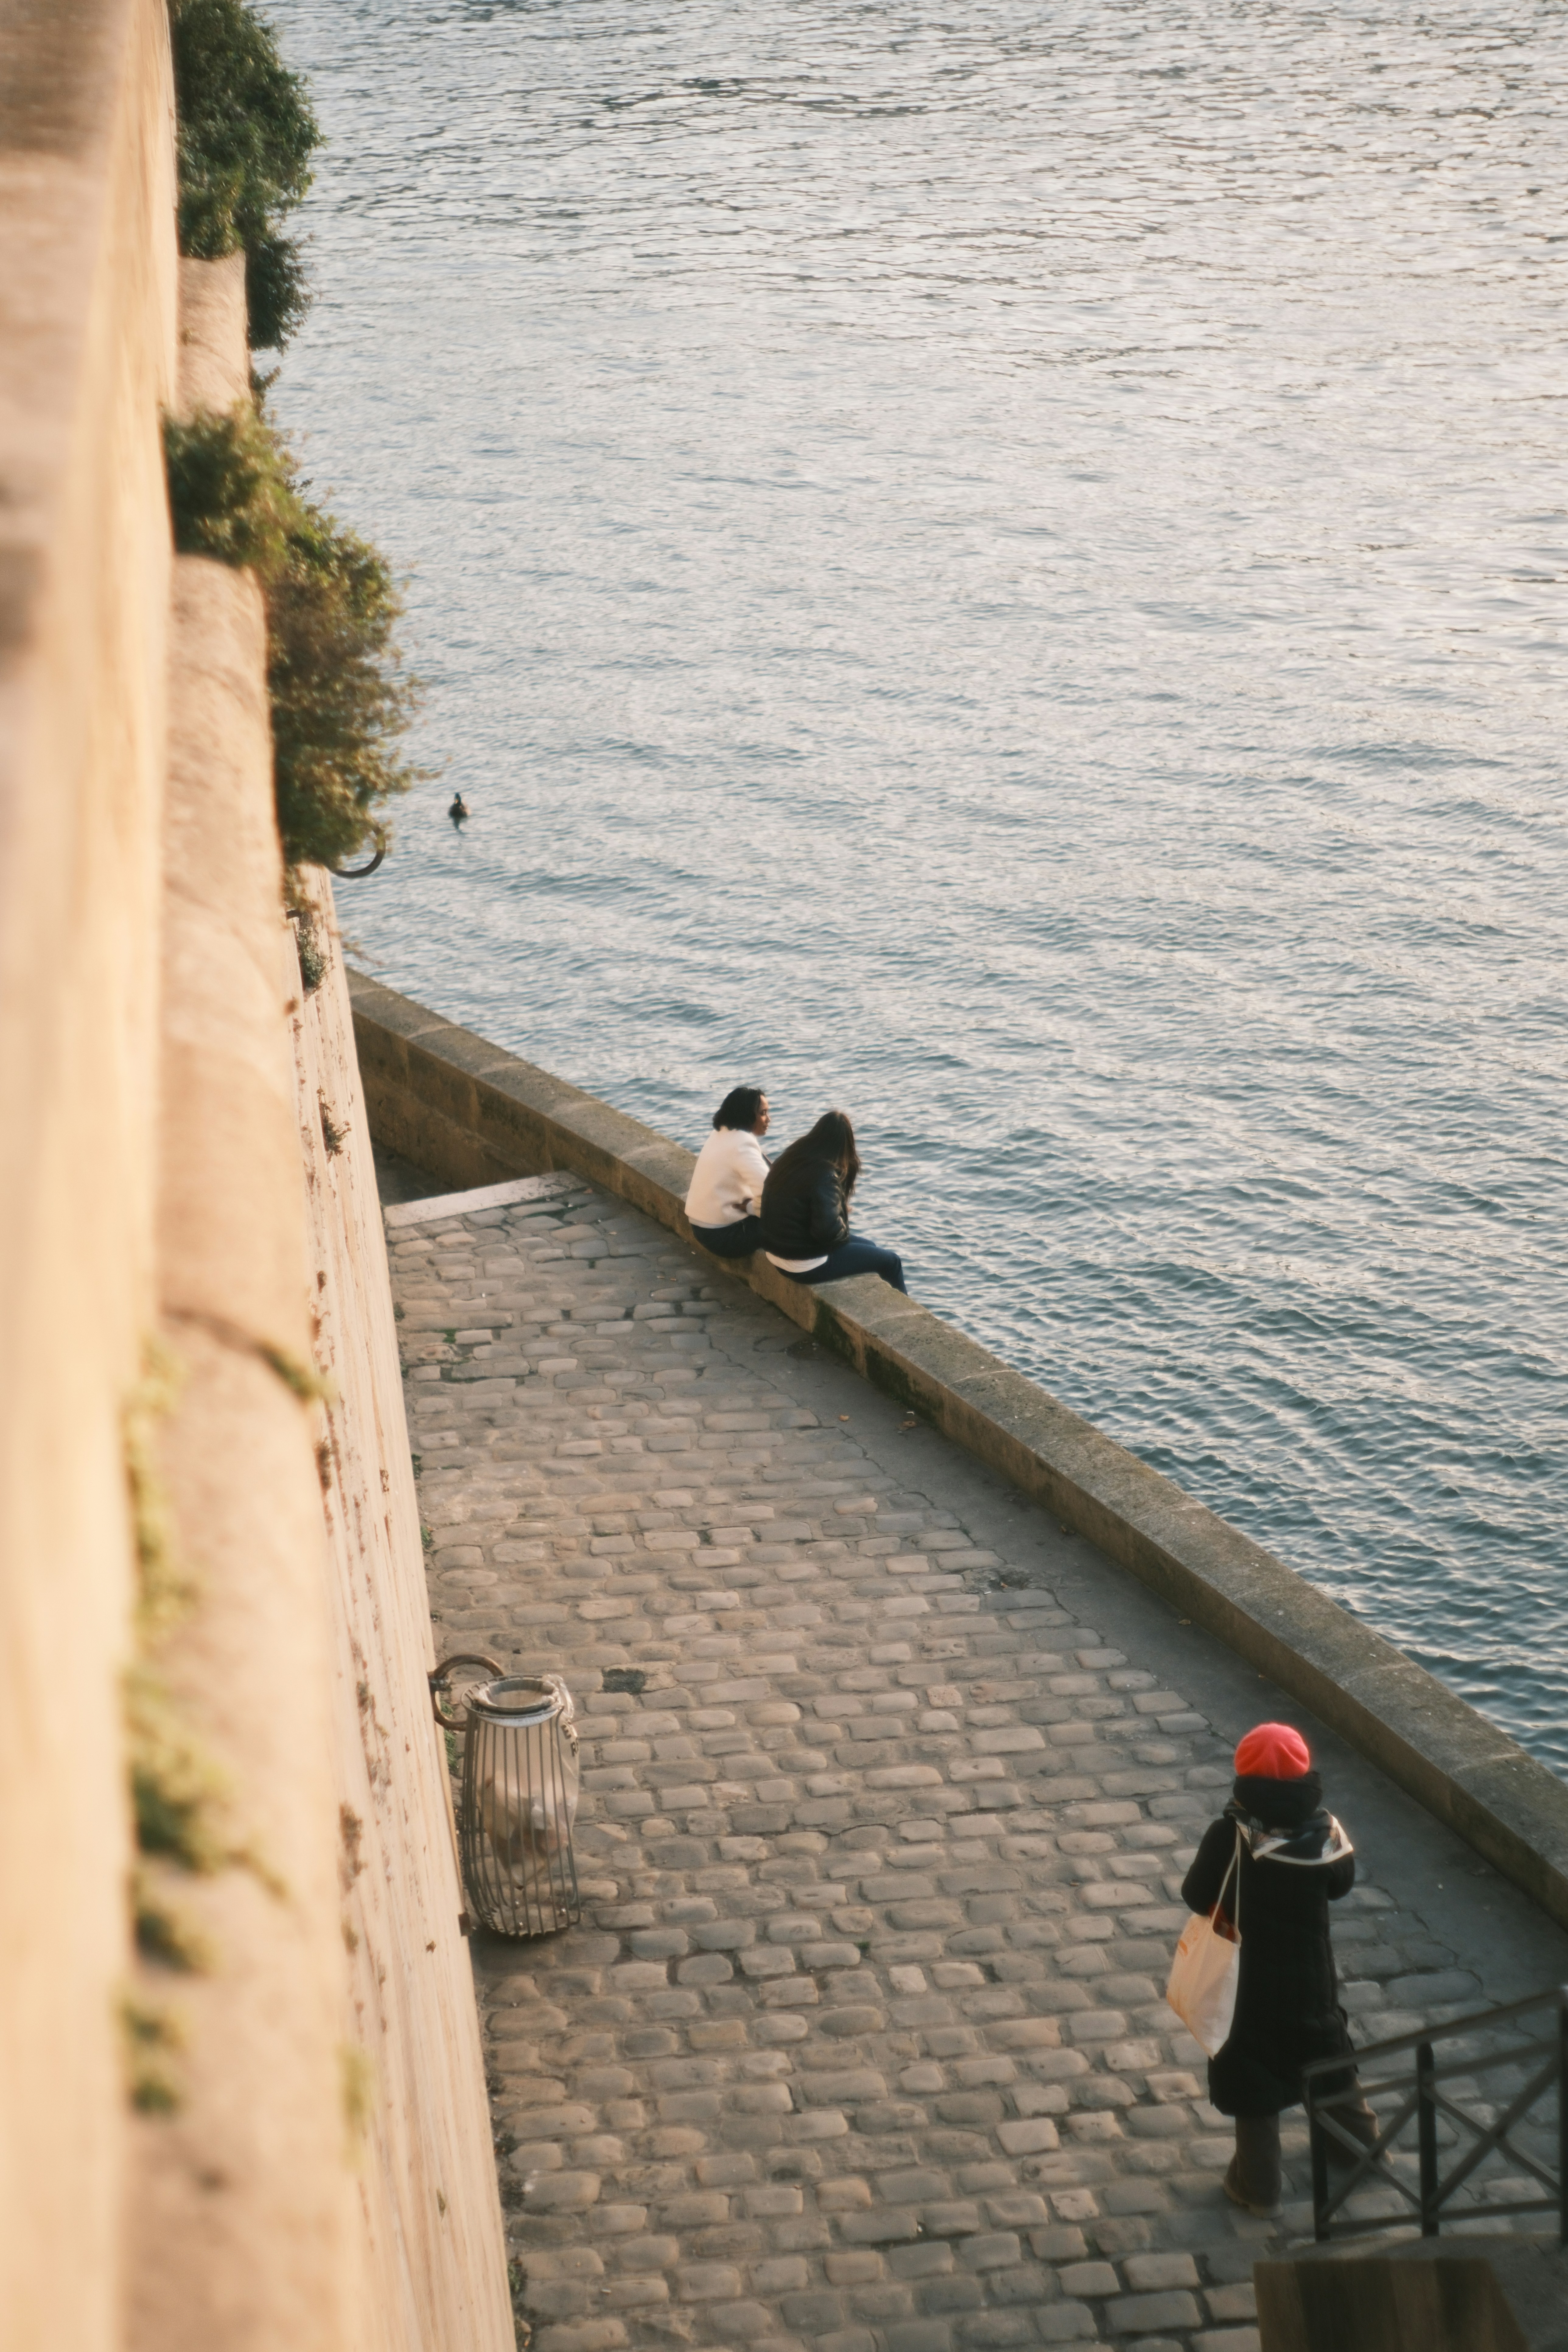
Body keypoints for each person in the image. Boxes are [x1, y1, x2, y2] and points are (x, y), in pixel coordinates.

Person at [1181, 1722, 1381, 2216]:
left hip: (1247, 1982)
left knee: (1255, 2079)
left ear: (1243, 1775)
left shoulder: (1229, 1834)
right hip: (1310, 1977)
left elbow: (1195, 1895)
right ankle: (1360, 2147)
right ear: (1304, 1773)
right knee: (1327, 2058)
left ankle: (1257, 2186)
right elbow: (1340, 1884)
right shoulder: (1325, 1831)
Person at [759, 1110, 907, 1293]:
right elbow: (828, 1234)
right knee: (891, 1261)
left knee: (871, 1247)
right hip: (804, 1264)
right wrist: (841, 1214)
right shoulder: (825, 1174)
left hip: (777, 1253)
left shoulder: (790, 1159)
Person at [684, 1087, 771, 1259]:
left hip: (703, 1228)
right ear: (747, 1115)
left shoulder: (722, 1133)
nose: (768, 1119)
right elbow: (770, 1193)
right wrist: (752, 1208)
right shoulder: (743, 1143)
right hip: (725, 1236)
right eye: (763, 1113)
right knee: (793, 1222)